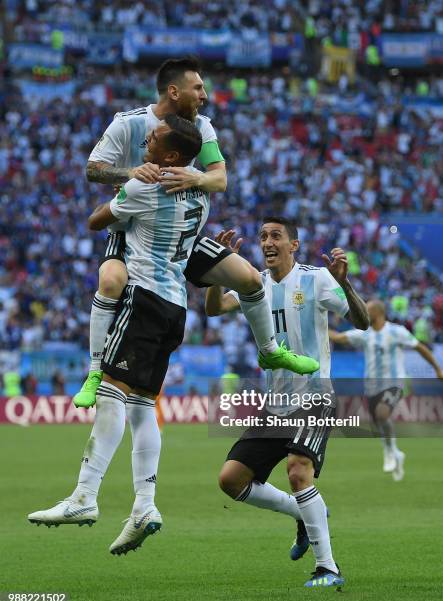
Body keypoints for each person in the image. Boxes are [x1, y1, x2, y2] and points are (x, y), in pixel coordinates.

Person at [74, 56, 318, 409]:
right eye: (198, 88)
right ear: (175, 92)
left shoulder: (202, 126)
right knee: (110, 281)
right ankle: (95, 369)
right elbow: (93, 170)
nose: (204, 95)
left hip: (178, 231)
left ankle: (270, 352)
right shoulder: (129, 124)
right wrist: (131, 173)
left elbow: (219, 178)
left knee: (249, 278)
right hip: (135, 223)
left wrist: (196, 177)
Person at [28, 115, 208, 556]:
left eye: (155, 138)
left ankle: (84, 497)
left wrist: (124, 187)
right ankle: (145, 506)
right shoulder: (202, 193)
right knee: (144, 406)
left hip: (143, 299)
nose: (146, 138)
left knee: (111, 395)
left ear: (169, 156)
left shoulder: (145, 188)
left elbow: (97, 221)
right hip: (176, 307)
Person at [205, 218, 369, 589]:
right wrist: (217, 270)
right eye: (263, 236)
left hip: (315, 396)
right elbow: (214, 309)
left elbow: (361, 323)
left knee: (298, 471)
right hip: (275, 401)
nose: (267, 242)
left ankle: (328, 567)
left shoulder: (316, 279)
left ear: (293, 245)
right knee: (231, 480)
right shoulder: (253, 282)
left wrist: (344, 282)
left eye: (276, 236)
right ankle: (303, 512)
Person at [329, 300, 443, 481]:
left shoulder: (396, 332)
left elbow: (420, 348)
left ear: (378, 313)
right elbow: (338, 338)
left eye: (368, 310)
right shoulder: (365, 333)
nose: (364, 313)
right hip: (371, 385)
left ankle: (390, 452)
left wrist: (438, 368)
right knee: (378, 421)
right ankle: (394, 451)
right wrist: (319, 326)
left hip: (395, 383)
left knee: (382, 414)